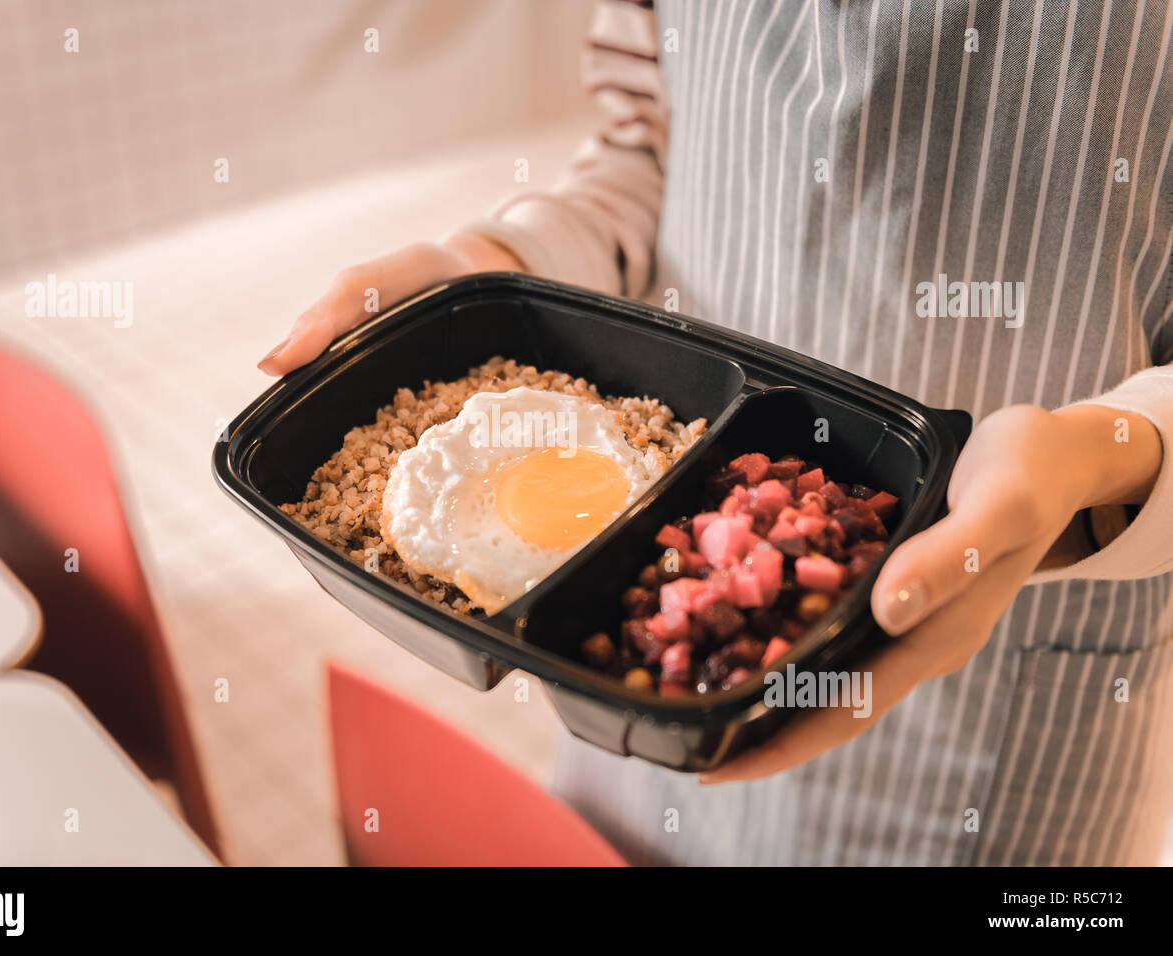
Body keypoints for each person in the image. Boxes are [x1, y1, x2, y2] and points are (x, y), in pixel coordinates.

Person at [259, 0, 1173, 865]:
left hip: (1031, 670)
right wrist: (499, 268)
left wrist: (1110, 452)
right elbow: (647, 146)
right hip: (648, 618)